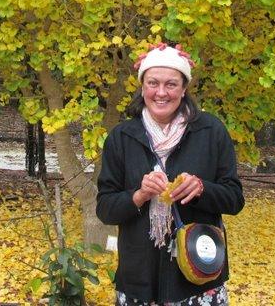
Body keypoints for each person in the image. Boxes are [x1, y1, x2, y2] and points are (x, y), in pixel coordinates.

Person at [96, 43, 245, 305]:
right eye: (153, 83)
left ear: (184, 88)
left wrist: (202, 189)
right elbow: (106, 209)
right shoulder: (122, 138)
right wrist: (139, 195)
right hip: (139, 283)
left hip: (197, 280)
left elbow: (234, 199)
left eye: (171, 84)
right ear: (142, 87)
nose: (161, 92)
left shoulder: (210, 131)